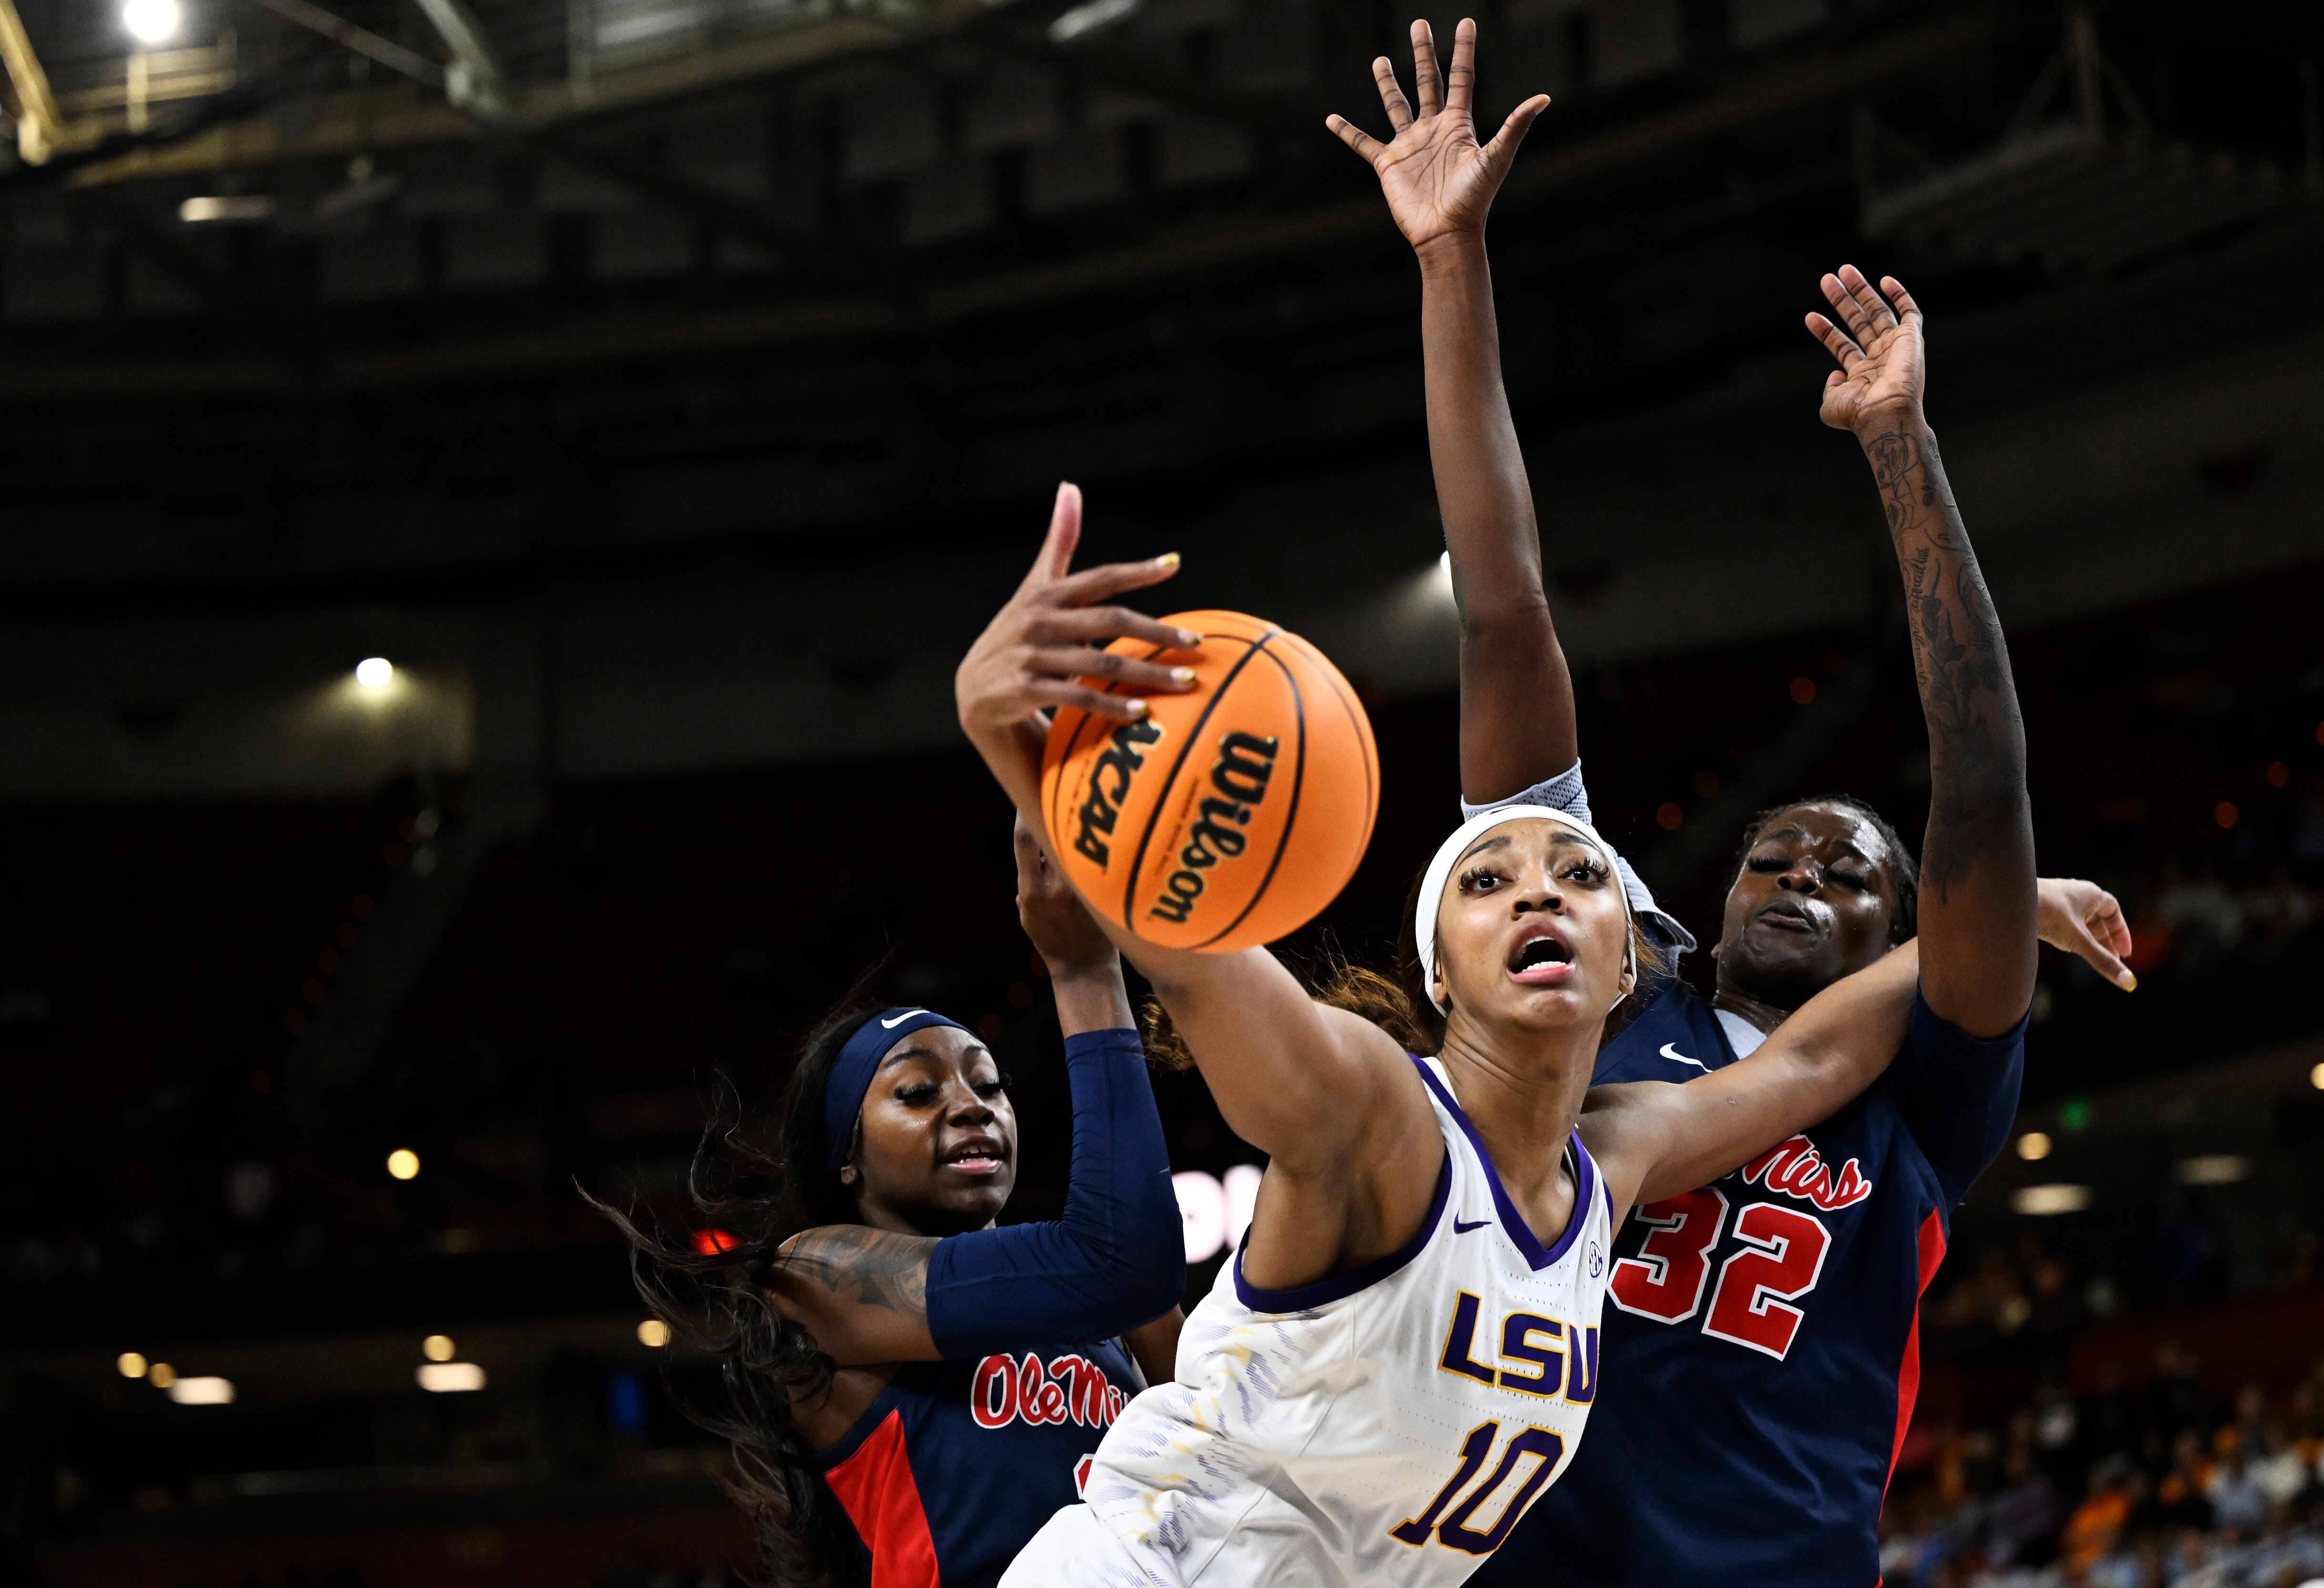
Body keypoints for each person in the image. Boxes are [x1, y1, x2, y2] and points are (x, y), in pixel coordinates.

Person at [1329, 18, 2133, 1587]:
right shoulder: (1593, 964)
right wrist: (1451, 261)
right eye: (1773, 853)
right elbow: (1506, 613)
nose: (1794, 872)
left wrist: (1903, 454)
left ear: (1905, 930)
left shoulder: (1921, 1085)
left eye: (1846, 873)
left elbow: (1980, 787)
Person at [952, 478, 1931, 1588]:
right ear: (1440, 970)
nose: (1539, 895)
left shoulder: (1612, 1162)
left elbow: (1814, 1056)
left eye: (1577, 873)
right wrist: (1019, 752)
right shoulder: (1378, 1110)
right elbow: (1186, 942)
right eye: (1488, 879)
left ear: (1629, 962)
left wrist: (2003, 910)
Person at [597, 818, 1186, 1588]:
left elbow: (1234, 1441)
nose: (972, 1106)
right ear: (847, 1157)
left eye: (990, 1083)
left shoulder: (1106, 1299)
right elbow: (1122, 1260)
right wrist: (1082, 971)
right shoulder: (815, 1277)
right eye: (917, 1091)